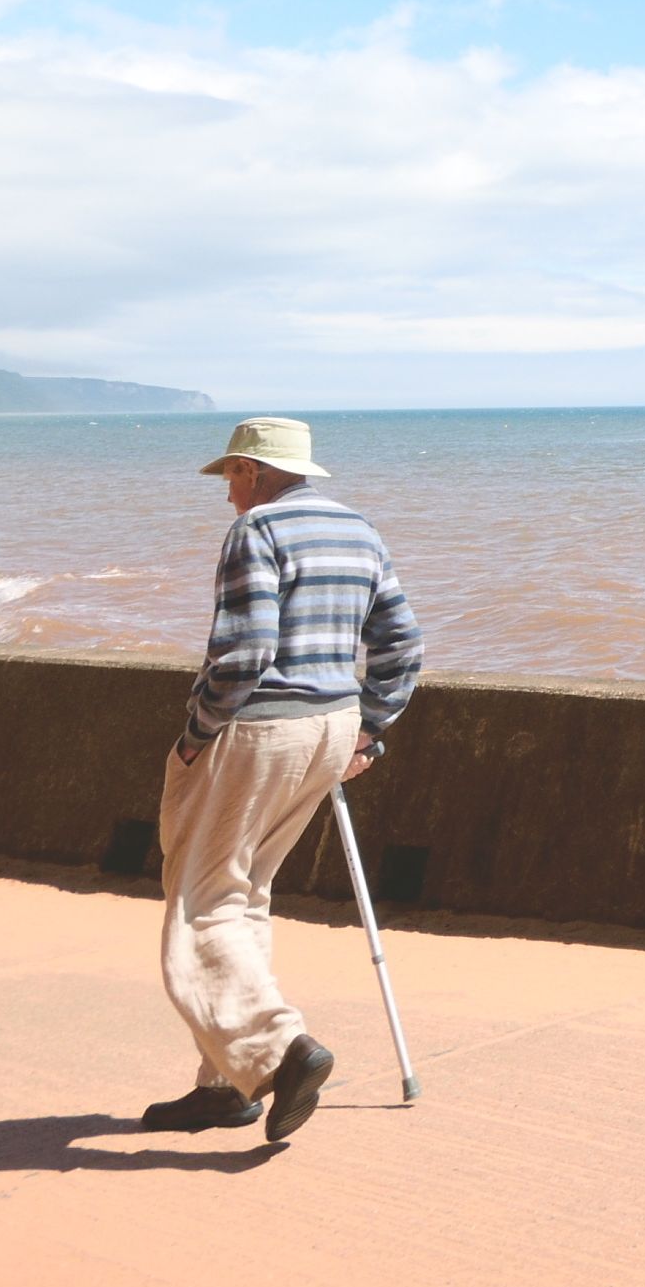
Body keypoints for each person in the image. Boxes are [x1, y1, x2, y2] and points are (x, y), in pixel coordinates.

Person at [138, 415, 424, 1141]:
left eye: (232, 474)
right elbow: (402, 643)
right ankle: (224, 1085)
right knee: (245, 896)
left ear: (254, 472)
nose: (228, 491)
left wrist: (198, 732)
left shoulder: (256, 531)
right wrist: (370, 729)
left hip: (259, 728)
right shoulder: (360, 529)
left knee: (200, 906)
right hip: (330, 725)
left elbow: (244, 651)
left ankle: (277, 1051)